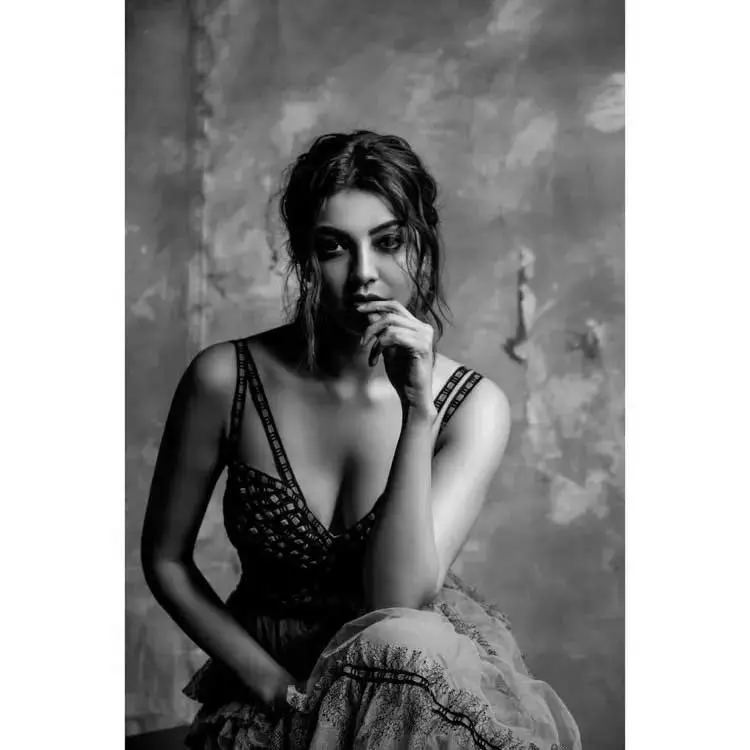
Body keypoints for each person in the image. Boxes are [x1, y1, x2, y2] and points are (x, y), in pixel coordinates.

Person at [141, 130, 582, 749]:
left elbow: (395, 601)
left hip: (402, 686)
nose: (364, 275)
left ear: (422, 246)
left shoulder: (472, 407)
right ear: (304, 256)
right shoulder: (227, 379)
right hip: (271, 680)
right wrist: (264, 680)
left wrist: (417, 411)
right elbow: (166, 560)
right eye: (333, 248)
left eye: (389, 242)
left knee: (402, 639)